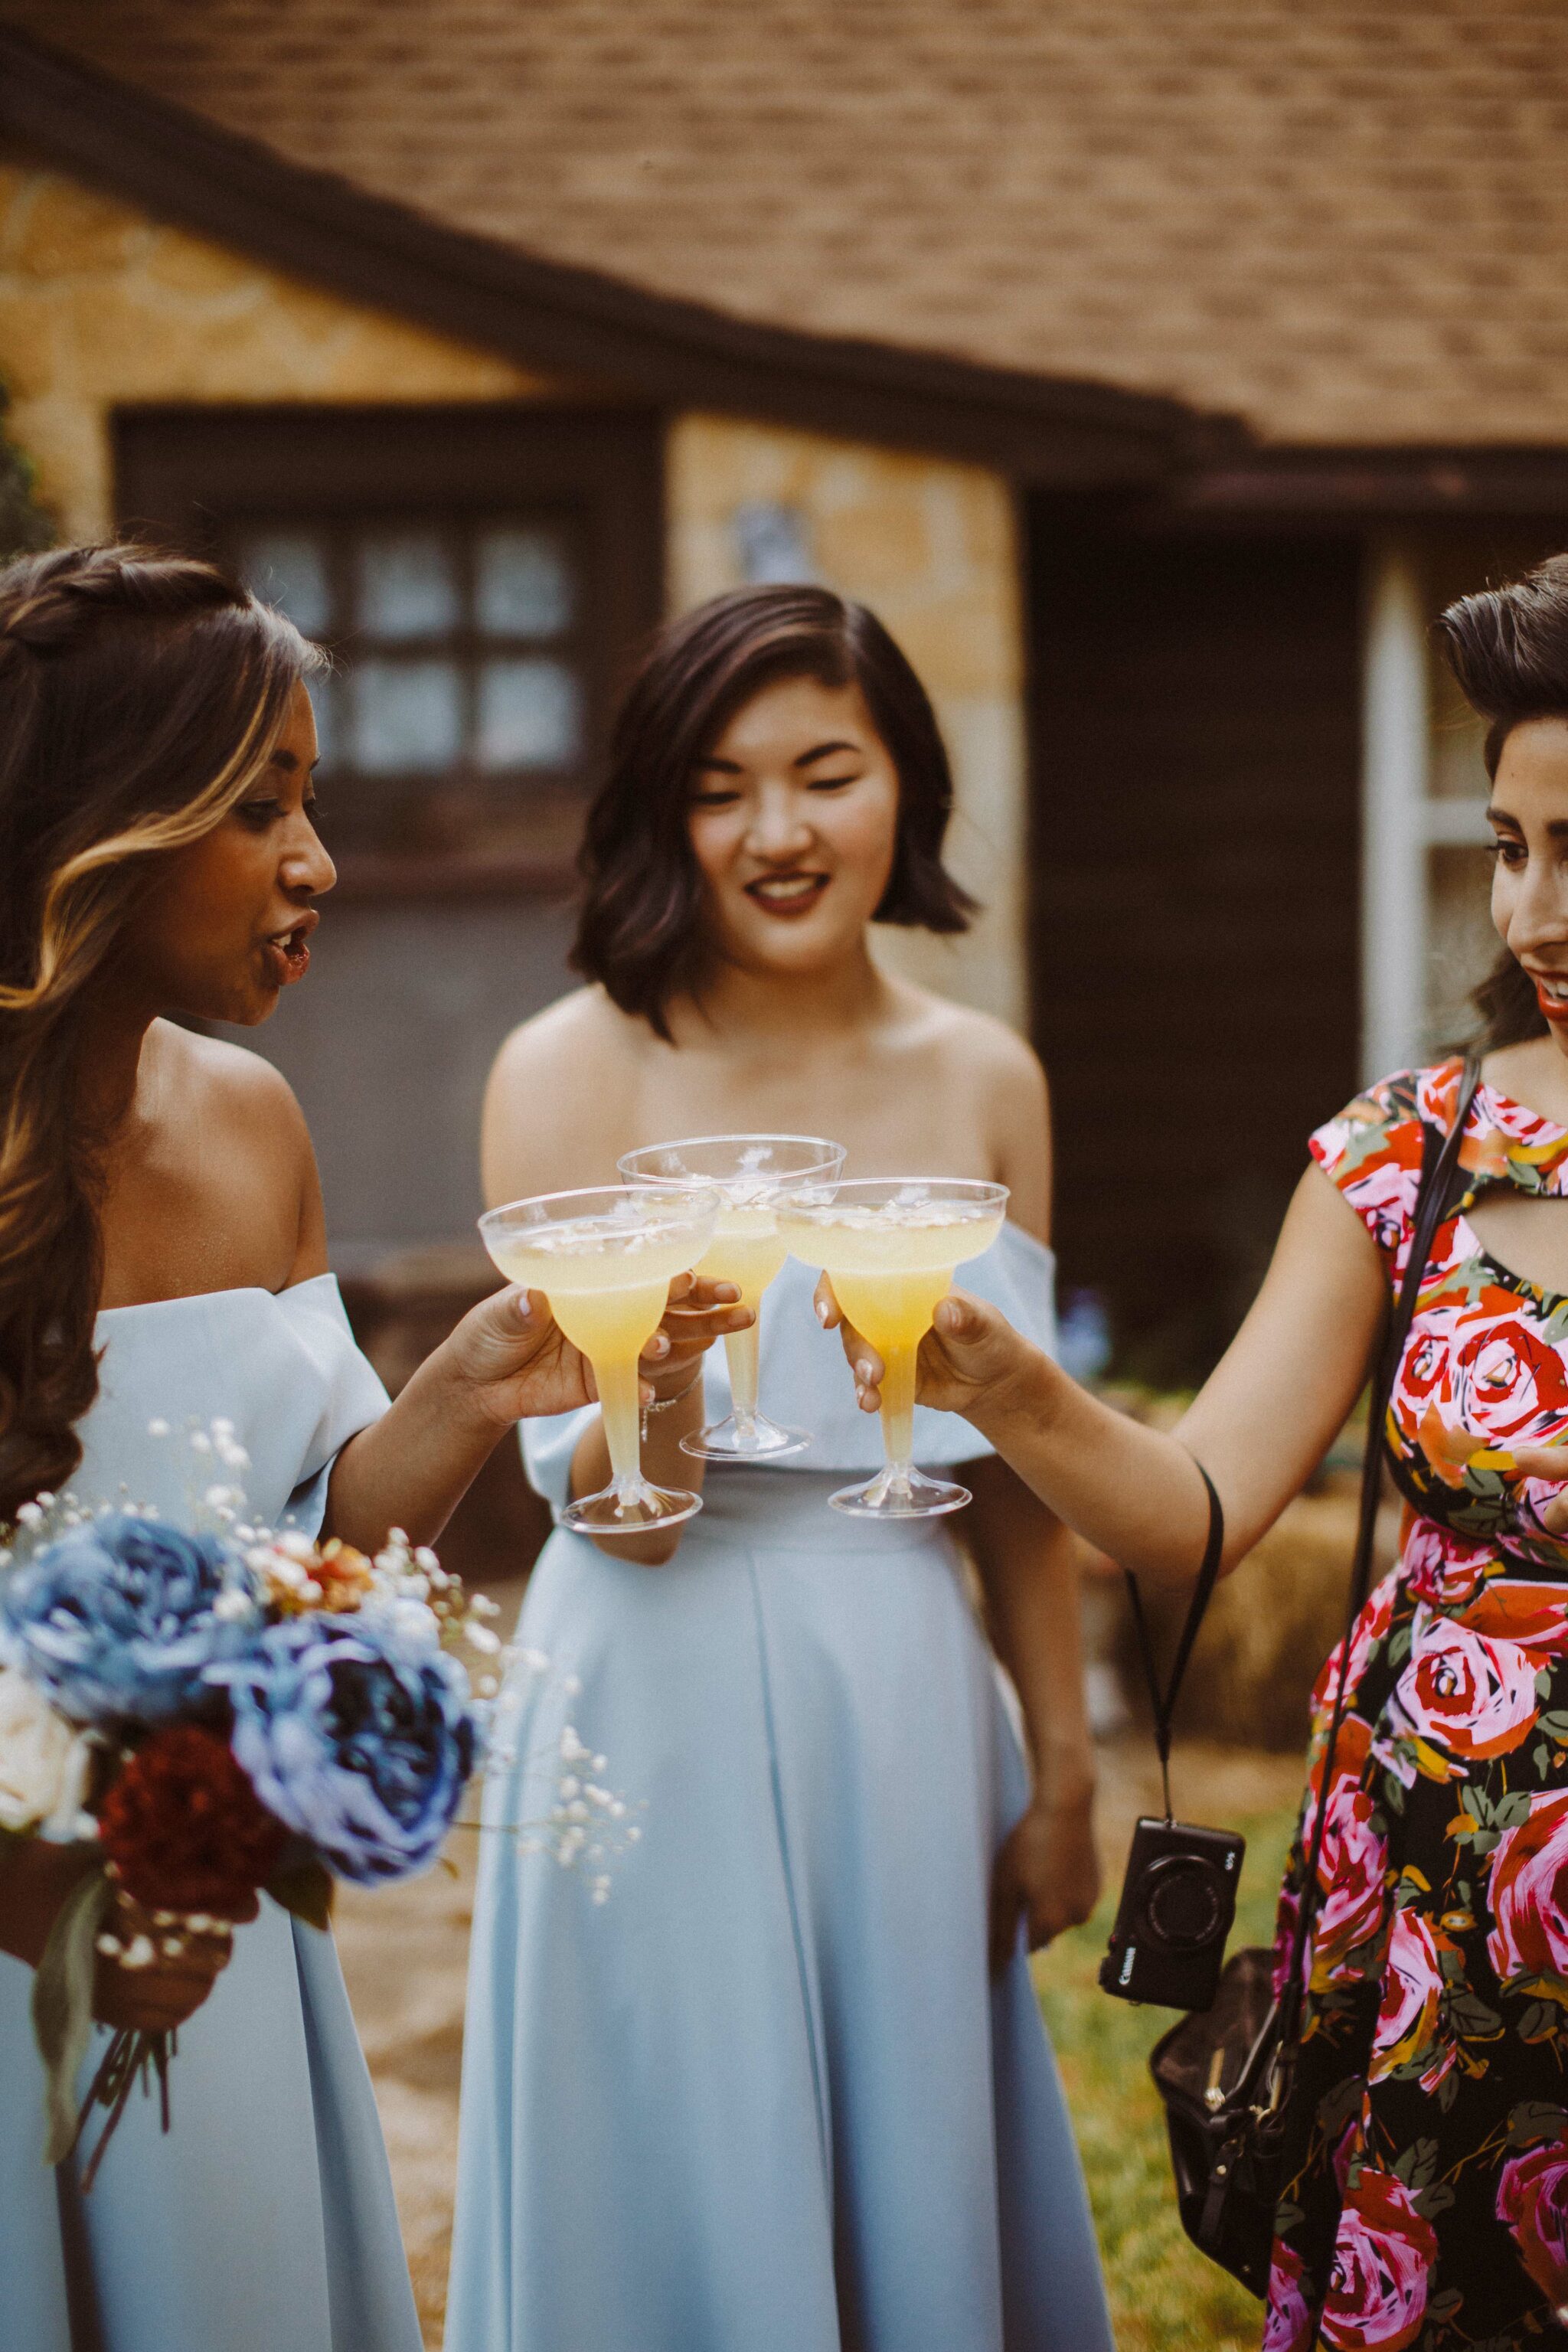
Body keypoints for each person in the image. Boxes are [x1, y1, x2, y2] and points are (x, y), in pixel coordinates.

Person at [827, 554, 1568, 2347]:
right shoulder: (1414, 1149)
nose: (1534, 910)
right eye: (1508, 845)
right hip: (1446, 1912)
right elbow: (1198, 1510)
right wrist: (1007, 1383)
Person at [0, 544, 734, 2352]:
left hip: (216, 1937)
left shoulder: (253, 1125)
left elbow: (321, 1542)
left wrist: (465, 1394)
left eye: (311, 802)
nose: (317, 863)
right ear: (106, 823)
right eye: (262, 810)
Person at [448, 586, 1112, 2352]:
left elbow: (1018, 1467)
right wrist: (653, 1381)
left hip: (897, 1682)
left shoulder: (987, 1079)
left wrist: (1059, 1764)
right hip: (634, 1675)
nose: (779, 832)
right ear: (666, 807)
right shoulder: (569, 1067)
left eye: (827, 773)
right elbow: (601, 1511)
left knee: (908, 2162)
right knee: (672, 2146)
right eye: (723, 787)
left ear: (906, 782)